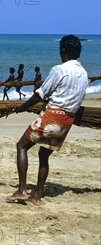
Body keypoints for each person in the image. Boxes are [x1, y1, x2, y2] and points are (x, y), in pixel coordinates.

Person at [7, 35, 88, 206]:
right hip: (67, 120)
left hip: (53, 116)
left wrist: (22, 107)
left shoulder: (59, 69)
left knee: (21, 146)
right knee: (44, 155)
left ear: (64, 51)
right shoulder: (83, 72)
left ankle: (22, 190)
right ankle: (37, 195)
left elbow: (40, 94)